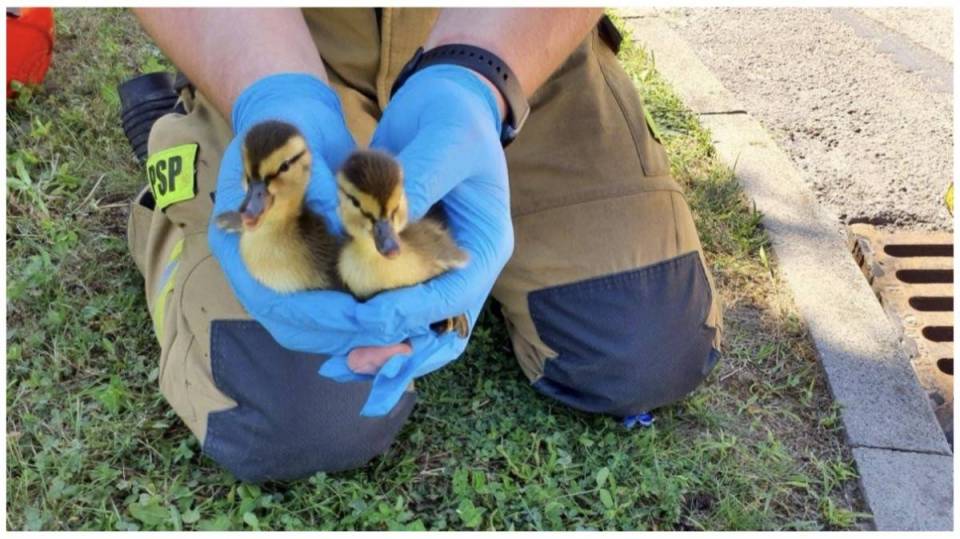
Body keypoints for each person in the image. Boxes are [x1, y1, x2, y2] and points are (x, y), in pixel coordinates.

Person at [128, 7, 722, 483]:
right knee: (300, 418)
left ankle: (484, 130)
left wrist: (475, 77)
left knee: (647, 349)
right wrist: (273, 94)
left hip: (520, 46)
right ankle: (175, 185)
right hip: (278, 44)